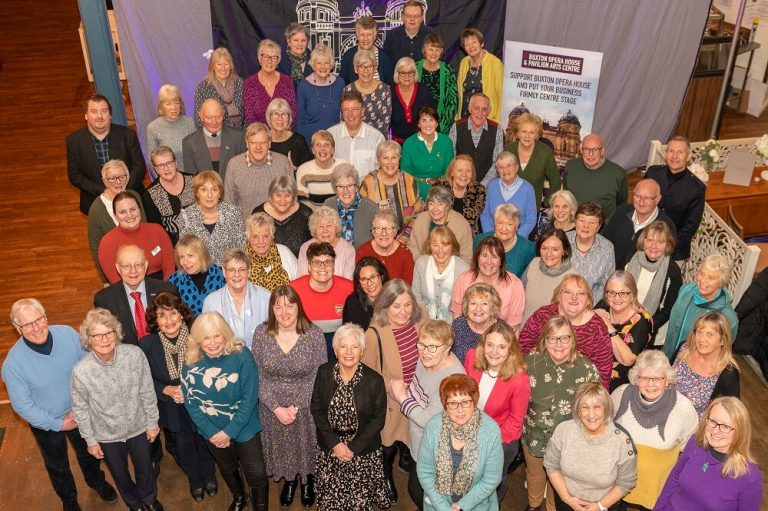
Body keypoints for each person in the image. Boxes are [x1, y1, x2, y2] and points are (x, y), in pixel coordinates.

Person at [2, 299, 117, 511]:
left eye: (39, 320)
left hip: (79, 410)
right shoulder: (13, 364)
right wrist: (57, 424)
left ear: (46, 317)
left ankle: (97, 482)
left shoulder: (67, 334)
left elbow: (88, 367)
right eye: (28, 324)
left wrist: (80, 406)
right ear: (18, 329)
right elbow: (22, 406)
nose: (36, 328)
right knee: (58, 466)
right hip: (46, 422)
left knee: (88, 452)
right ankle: (69, 500)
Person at [70, 308, 162, 511]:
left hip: (138, 426)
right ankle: (135, 504)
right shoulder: (81, 371)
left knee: (145, 468)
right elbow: (81, 409)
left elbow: (147, 389)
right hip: (107, 434)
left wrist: (152, 421)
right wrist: (90, 440)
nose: (104, 340)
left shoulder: (134, 355)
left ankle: (149, 499)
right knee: (120, 474)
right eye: (97, 335)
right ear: (88, 339)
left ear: (116, 334)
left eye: (109, 333)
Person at [182, 312, 269, 510]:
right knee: (228, 467)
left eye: (217, 336)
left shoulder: (242, 355)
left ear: (225, 335)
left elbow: (250, 398)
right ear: (197, 339)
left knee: (256, 472)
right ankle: (240, 497)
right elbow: (191, 403)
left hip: (244, 425)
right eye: (206, 338)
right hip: (211, 430)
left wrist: (229, 431)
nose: (212, 343)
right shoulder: (190, 361)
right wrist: (214, 432)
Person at [251, 285, 326, 508]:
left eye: (289, 305)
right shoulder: (261, 333)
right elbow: (257, 374)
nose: (284, 312)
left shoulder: (314, 334)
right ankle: (290, 480)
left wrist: (295, 406)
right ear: (272, 309)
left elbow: (318, 375)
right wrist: (275, 407)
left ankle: (308, 480)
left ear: (298, 307)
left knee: (305, 445)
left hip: (305, 405)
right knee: (283, 448)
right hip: (270, 405)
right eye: (278, 306)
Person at [140, 292, 218, 503]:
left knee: (203, 438)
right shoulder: (147, 345)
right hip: (170, 406)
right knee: (183, 445)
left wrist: (189, 388)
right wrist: (165, 389)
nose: (169, 320)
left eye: (173, 313)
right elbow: (143, 379)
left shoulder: (198, 338)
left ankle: (210, 475)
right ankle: (195, 479)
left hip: (200, 400)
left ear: (181, 314)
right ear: (155, 321)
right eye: (162, 316)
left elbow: (212, 367)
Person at [523, 315, 601, 511]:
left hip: (568, 442)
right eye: (552, 338)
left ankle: (551, 508)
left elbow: (595, 410)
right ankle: (534, 505)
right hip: (534, 434)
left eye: (564, 338)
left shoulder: (587, 370)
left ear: (573, 340)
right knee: (534, 474)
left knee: (558, 481)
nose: (558, 344)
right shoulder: (530, 362)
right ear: (545, 341)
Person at [310, 324, 392, 510]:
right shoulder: (324, 372)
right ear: (335, 349)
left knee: (358, 504)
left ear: (362, 351)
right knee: (331, 501)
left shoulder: (374, 380)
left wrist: (353, 447)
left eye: (354, 347)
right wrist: (335, 444)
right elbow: (316, 409)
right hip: (331, 447)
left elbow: (378, 420)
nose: (349, 352)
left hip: (362, 450)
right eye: (343, 346)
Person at [390, 320, 466, 510]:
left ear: (448, 347)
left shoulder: (453, 381)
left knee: (420, 490)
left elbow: (428, 419)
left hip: (436, 450)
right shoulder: (426, 359)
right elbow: (418, 392)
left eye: (433, 347)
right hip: (418, 440)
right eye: (422, 344)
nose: (424, 351)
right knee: (418, 490)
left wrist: (401, 397)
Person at [362, 279, 426, 503]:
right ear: (385, 306)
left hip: (418, 396)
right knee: (389, 443)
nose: (403, 312)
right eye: (396, 306)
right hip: (392, 402)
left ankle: (405, 456)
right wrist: (389, 384)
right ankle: (385, 473)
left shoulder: (420, 320)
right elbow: (368, 374)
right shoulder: (373, 334)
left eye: (408, 305)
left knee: (412, 436)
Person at [611, 350, 698, 511]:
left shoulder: (683, 408)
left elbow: (690, 448)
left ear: (667, 381)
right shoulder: (621, 394)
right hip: (618, 478)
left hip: (657, 484)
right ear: (636, 379)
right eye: (645, 378)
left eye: (657, 378)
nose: (650, 384)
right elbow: (607, 428)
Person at [655, 397, 763, 511]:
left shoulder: (749, 477)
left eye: (725, 426)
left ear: (740, 431)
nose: (715, 431)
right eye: (712, 421)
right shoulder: (695, 443)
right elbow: (674, 479)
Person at [543, 382, 637, 511]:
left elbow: (626, 482)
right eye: (585, 407)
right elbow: (551, 464)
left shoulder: (621, 441)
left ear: (606, 408)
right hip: (566, 502)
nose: (591, 415)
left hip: (605, 505)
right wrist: (567, 498)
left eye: (597, 407)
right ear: (578, 411)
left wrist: (599, 506)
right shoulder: (564, 430)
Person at [464, 322, 530, 503]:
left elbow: (515, 422)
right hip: (469, 432)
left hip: (501, 440)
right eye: (490, 345)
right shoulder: (471, 357)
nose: (494, 352)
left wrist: (487, 443)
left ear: (511, 350)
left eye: (502, 347)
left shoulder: (519, 379)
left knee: (493, 481)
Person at [417, 374, 504, 511]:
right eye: (453, 403)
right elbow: (424, 472)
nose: (460, 409)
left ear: (474, 402)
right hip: (437, 504)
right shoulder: (433, 427)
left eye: (465, 402)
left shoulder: (491, 430)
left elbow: (491, 479)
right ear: (445, 405)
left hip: (477, 505)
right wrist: (442, 507)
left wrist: (462, 506)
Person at [519, 274, 614, 389]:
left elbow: (603, 373)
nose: (574, 298)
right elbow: (522, 350)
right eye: (568, 292)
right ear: (559, 296)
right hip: (539, 385)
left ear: (588, 300)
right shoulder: (543, 315)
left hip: (579, 391)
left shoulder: (597, 327)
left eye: (580, 293)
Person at [66, 94, 146, 214]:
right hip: (96, 201)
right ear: (86, 116)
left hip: (130, 197)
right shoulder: (74, 141)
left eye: (104, 111)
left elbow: (139, 167)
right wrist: (105, 191)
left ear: (110, 115)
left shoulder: (128, 135)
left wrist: (122, 189)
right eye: (94, 111)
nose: (99, 116)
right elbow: (75, 176)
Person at [94, 245, 177, 346]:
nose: (133, 271)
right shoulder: (104, 300)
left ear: (146, 266)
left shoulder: (166, 290)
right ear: (118, 268)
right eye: (126, 266)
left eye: (138, 265)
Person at [663, 254, 738, 359]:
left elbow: (723, 351)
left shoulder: (727, 317)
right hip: (669, 355)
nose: (703, 280)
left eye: (711, 278)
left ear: (721, 282)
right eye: (701, 273)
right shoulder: (686, 291)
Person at [644, 136, 705, 261]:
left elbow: (690, 226)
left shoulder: (696, 188)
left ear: (688, 157)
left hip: (674, 251)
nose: (674, 156)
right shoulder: (653, 173)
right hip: (645, 243)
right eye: (671, 151)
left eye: (680, 152)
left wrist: (668, 249)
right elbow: (641, 203)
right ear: (666, 154)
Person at [291, 241, 354, 359]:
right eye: (316, 262)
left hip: (339, 352)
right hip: (304, 352)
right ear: (309, 266)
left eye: (328, 262)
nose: (323, 267)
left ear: (334, 266)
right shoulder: (294, 290)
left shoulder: (349, 289)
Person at [87, 159, 147, 282]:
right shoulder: (96, 209)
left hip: (142, 265)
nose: (118, 182)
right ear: (104, 181)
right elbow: (95, 247)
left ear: (128, 177)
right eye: (112, 179)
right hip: (118, 272)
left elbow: (145, 227)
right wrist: (105, 280)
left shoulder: (135, 196)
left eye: (122, 177)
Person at [97, 191, 175, 284]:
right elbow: (116, 281)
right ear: (115, 215)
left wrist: (165, 292)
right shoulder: (107, 242)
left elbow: (169, 268)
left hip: (162, 287)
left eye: (133, 209)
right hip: (129, 291)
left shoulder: (157, 230)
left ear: (140, 209)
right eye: (122, 212)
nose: (129, 215)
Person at [672, 312, 740, 415]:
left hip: (693, 428)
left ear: (722, 340)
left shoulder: (728, 373)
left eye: (710, 334)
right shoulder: (684, 349)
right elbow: (663, 376)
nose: (702, 339)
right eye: (699, 332)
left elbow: (730, 413)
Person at [202, 248, 270, 349]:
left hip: (259, 362)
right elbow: (206, 339)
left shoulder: (266, 297)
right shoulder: (211, 302)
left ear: (249, 271)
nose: (237, 275)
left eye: (242, 269)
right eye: (231, 270)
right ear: (224, 272)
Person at [625, 220, 682, 341]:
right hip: (622, 321)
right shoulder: (630, 258)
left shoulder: (673, 271)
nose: (653, 246)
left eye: (660, 242)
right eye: (650, 240)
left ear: (667, 245)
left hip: (652, 330)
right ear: (643, 240)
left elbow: (669, 309)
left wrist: (643, 326)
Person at [451, 236, 525, 329]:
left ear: (501, 261)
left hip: (500, 337)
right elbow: (457, 315)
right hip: (467, 336)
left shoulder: (515, 284)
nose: (488, 262)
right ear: (477, 258)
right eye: (484, 255)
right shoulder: (464, 279)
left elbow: (513, 325)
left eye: (494, 256)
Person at [595, 271, 653, 390]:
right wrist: (592, 314)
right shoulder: (602, 306)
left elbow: (627, 360)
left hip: (623, 385)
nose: (616, 298)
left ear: (632, 295)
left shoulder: (642, 320)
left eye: (623, 293)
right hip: (595, 377)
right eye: (612, 292)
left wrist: (608, 326)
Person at [224, 122, 295, 219]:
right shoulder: (234, 165)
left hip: (277, 228)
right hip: (246, 229)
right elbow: (229, 205)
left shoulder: (283, 163)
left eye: (263, 142)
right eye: (253, 143)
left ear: (269, 143)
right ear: (247, 143)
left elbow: (292, 200)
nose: (258, 147)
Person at [602, 177, 677, 268]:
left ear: (657, 199)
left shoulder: (666, 226)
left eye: (647, 198)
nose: (641, 202)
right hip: (611, 271)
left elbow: (663, 262)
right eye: (637, 196)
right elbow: (605, 241)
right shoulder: (621, 212)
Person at [177, 170, 247, 265]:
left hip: (228, 271)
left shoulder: (233, 213)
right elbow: (184, 251)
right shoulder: (186, 216)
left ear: (219, 193)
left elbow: (241, 248)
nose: (209, 195)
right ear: (197, 193)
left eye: (214, 189)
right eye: (204, 189)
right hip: (199, 272)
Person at [563, 133, 628, 223]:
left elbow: (621, 204)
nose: (590, 154)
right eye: (586, 149)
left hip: (603, 230)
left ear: (602, 151)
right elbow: (567, 195)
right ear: (581, 151)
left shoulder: (618, 174)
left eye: (595, 149)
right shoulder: (570, 167)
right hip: (574, 225)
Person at [360, 140, 424, 229]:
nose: (390, 162)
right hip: (378, 237)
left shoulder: (409, 180)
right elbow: (363, 217)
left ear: (399, 159)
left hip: (408, 237)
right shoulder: (368, 183)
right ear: (379, 160)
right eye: (385, 158)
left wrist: (405, 236)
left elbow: (419, 213)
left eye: (394, 157)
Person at [503, 112, 560, 210]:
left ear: (537, 135)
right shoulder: (508, 150)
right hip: (506, 209)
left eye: (531, 132)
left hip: (531, 211)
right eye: (524, 131)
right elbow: (499, 178)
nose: (527, 136)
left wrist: (546, 203)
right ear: (518, 133)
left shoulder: (545, 152)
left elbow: (556, 182)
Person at [413, 226, 471, 321]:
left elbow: (465, 307)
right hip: (424, 321)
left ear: (453, 246)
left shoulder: (463, 269)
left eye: (445, 245)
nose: (440, 250)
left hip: (453, 325)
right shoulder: (421, 263)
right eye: (435, 245)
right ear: (429, 246)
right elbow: (416, 297)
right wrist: (426, 323)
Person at [521, 228, 578, 324]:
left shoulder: (572, 277)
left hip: (552, 335)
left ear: (564, 251)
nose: (548, 254)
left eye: (555, 249)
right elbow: (520, 294)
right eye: (544, 248)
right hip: (525, 331)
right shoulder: (534, 263)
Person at [142, 146, 196, 245]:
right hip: (174, 245)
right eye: (161, 165)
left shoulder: (194, 181)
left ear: (175, 163)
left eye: (169, 163)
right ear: (156, 169)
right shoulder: (150, 193)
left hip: (201, 239)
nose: (166, 168)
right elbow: (156, 228)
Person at [328, 89, 386, 180]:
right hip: (337, 189)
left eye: (354, 109)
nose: (350, 114)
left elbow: (382, 170)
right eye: (346, 110)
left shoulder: (377, 138)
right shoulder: (331, 135)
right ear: (342, 113)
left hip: (367, 190)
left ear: (363, 111)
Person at [408, 185, 473, 263]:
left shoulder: (462, 225)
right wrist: (424, 264)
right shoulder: (420, 219)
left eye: (440, 204)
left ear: (448, 206)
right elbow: (412, 246)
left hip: (452, 270)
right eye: (431, 204)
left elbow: (466, 256)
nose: (435, 209)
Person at [449, 93, 504, 185]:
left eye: (484, 109)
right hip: (459, 184)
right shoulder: (456, 127)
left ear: (488, 112)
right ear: (470, 109)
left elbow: (497, 162)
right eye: (476, 108)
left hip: (486, 187)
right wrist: (461, 182)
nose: (480, 113)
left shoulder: (497, 129)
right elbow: (451, 159)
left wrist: (481, 186)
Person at [182, 98, 245, 177]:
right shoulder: (189, 143)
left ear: (224, 114)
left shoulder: (238, 137)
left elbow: (243, 171)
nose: (214, 122)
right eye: (209, 118)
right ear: (201, 116)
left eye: (218, 117)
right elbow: (191, 177)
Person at [251, 175, 313, 256]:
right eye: (278, 195)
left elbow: (314, 245)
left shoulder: (306, 213)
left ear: (294, 196)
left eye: (287, 195)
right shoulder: (258, 213)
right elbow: (252, 243)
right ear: (271, 195)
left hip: (300, 265)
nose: (283, 200)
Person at [401, 106, 455, 199]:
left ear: (437, 123)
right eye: (424, 120)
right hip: (416, 191)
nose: (428, 124)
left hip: (442, 190)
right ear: (418, 124)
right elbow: (406, 175)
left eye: (431, 120)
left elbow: (449, 171)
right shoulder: (409, 143)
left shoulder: (446, 142)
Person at [323, 161, 379, 248]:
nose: (346, 191)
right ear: (335, 188)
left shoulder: (371, 208)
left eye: (350, 186)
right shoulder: (328, 205)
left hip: (362, 258)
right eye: (340, 187)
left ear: (356, 187)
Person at [296, 43, 345, 143]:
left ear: (331, 65)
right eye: (319, 63)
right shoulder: (304, 85)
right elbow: (300, 120)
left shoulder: (340, 83)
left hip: (335, 139)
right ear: (313, 65)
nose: (323, 67)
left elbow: (344, 115)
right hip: (311, 139)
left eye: (326, 63)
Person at [566, 202, 615, 302]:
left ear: (598, 227)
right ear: (575, 222)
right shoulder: (563, 240)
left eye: (592, 222)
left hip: (591, 305)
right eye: (582, 220)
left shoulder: (607, 248)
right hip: (561, 302)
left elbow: (606, 284)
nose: (586, 226)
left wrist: (589, 305)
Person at [480, 152, 537, 237]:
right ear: (497, 170)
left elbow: (531, 220)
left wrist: (514, 239)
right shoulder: (492, 186)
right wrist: (491, 235)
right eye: (501, 167)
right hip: (493, 238)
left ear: (516, 167)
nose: (505, 170)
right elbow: (485, 214)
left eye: (509, 166)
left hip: (518, 240)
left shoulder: (528, 189)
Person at [243, 39, 297, 128]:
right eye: (266, 57)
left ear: (278, 61)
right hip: (259, 136)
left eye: (274, 57)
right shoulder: (249, 83)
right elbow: (249, 117)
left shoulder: (287, 81)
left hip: (283, 133)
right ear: (260, 59)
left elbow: (292, 113)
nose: (269, 61)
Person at [168, 234, 225, 315]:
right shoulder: (174, 281)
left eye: (190, 256)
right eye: (181, 257)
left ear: (202, 254)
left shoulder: (220, 274)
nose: (185, 262)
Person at [145, 84, 196, 175]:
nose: (173, 107)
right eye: (168, 103)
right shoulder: (153, 128)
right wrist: (162, 182)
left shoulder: (190, 123)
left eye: (176, 103)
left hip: (191, 178)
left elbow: (198, 154)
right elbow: (151, 161)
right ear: (161, 106)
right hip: (166, 180)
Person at [475, 203, 537, 277]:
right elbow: (474, 269)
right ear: (494, 224)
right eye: (500, 223)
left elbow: (531, 277)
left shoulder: (528, 249)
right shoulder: (480, 241)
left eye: (509, 224)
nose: (504, 228)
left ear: (517, 227)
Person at [456, 29, 503, 123]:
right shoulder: (464, 62)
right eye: (467, 43)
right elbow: (460, 93)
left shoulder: (495, 63)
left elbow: (501, 95)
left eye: (474, 42)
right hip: (465, 117)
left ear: (481, 44)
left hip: (487, 119)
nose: (471, 46)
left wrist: (497, 121)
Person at [432, 154, 486, 237]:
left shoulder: (479, 190)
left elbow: (481, 220)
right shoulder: (438, 187)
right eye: (460, 170)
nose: (464, 174)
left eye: (468, 171)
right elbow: (431, 216)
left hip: (469, 240)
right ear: (452, 172)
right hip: (442, 239)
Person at [356, 209, 416, 283]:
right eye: (378, 229)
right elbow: (360, 283)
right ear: (373, 232)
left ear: (395, 231)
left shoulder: (405, 255)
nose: (384, 234)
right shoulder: (363, 252)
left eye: (388, 228)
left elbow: (407, 287)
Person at [344, 48, 393, 137]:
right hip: (353, 138)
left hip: (377, 139)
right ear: (355, 69)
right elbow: (346, 119)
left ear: (375, 68)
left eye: (370, 66)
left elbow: (385, 123)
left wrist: (369, 141)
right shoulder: (348, 90)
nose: (366, 71)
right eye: (362, 66)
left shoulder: (385, 90)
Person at [297, 206, 356, 279]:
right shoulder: (305, 248)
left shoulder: (348, 250)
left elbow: (348, 282)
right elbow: (302, 278)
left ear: (336, 228)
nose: (325, 230)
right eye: (320, 226)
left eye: (329, 226)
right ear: (314, 230)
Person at [244, 212, 298, 291]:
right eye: (255, 237)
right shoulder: (241, 259)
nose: (261, 241)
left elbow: (300, 285)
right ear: (248, 237)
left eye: (265, 236)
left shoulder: (284, 252)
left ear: (272, 235)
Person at [416, 32, 458, 134]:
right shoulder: (415, 68)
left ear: (441, 52)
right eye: (430, 49)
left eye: (437, 50)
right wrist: (419, 124)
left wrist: (441, 125)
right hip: (417, 125)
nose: (434, 53)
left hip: (441, 125)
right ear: (424, 50)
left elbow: (453, 102)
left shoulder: (448, 71)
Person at [452, 283, 504, 364]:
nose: (478, 309)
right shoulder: (458, 325)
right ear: (466, 306)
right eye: (473, 303)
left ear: (492, 308)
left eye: (484, 304)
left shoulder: (502, 330)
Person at [193, 47, 244, 129]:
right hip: (215, 136)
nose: (223, 68)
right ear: (212, 66)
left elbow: (247, 113)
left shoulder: (240, 83)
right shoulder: (203, 88)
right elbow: (199, 120)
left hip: (241, 135)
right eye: (219, 64)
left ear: (231, 66)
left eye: (226, 64)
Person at [296, 130, 349, 205]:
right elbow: (304, 204)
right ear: (313, 150)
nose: (322, 149)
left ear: (332, 150)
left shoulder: (344, 166)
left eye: (326, 145)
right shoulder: (304, 170)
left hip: (340, 213)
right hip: (313, 214)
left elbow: (349, 197)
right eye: (318, 145)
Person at [391, 56, 436, 144]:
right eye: (403, 73)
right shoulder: (389, 93)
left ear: (415, 74)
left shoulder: (424, 91)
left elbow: (433, 118)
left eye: (410, 72)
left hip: (421, 142)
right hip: (396, 145)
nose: (407, 76)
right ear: (397, 74)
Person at [340, 16, 395, 87]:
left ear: (375, 36)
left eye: (369, 35)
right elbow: (343, 85)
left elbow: (389, 86)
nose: (365, 39)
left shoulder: (385, 58)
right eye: (362, 35)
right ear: (357, 36)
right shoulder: (348, 56)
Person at [343, 257, 390, 331]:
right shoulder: (352, 302)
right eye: (364, 279)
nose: (369, 283)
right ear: (359, 283)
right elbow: (349, 336)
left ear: (382, 277)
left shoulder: (393, 297)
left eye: (373, 277)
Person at [265, 97, 312, 168]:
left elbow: (308, 168)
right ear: (269, 117)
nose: (280, 118)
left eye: (284, 114)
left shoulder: (298, 140)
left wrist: (295, 169)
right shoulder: (262, 140)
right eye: (276, 114)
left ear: (289, 118)